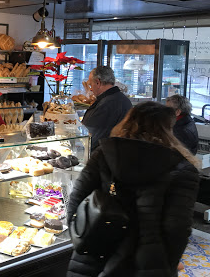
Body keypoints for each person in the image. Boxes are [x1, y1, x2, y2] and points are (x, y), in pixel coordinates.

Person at [67, 102, 200, 277]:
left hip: (95, 257)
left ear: (128, 121)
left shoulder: (104, 154)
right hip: (149, 264)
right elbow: (177, 228)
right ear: (167, 129)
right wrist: (168, 264)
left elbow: (75, 202)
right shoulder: (181, 169)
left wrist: (83, 239)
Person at [82, 66, 132, 151]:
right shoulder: (120, 98)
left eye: (91, 84)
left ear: (98, 82)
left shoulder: (108, 104)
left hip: (105, 156)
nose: (90, 88)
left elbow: (92, 139)